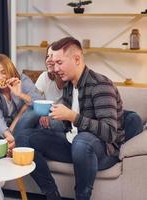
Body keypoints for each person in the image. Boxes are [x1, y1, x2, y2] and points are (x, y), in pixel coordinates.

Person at [24, 37, 125, 200]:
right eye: (53, 63)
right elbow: (67, 127)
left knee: (82, 140)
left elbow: (110, 133)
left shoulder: (101, 85)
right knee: (26, 138)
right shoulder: (69, 85)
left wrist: (73, 117)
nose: (55, 68)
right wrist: (54, 116)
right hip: (73, 144)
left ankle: (82, 197)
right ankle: (52, 194)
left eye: (59, 62)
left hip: (102, 151)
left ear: (77, 59)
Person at [0, 53, 44, 145]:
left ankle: (17, 144)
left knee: (33, 114)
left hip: (17, 122)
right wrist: (8, 134)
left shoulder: (22, 80)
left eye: (4, 72)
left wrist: (20, 94)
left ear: (10, 70)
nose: (0, 78)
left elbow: (39, 102)